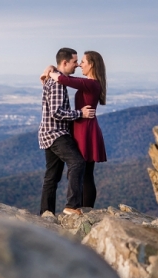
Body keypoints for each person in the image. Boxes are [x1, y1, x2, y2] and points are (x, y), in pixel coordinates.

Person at [42, 51, 107, 208]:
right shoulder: (88, 82)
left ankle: (84, 209)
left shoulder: (91, 84)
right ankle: (81, 208)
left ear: (91, 64)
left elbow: (64, 79)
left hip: (86, 130)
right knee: (83, 171)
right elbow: (67, 78)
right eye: (78, 61)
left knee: (86, 173)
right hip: (80, 127)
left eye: (83, 62)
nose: (79, 65)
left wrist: (51, 70)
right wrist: (51, 67)